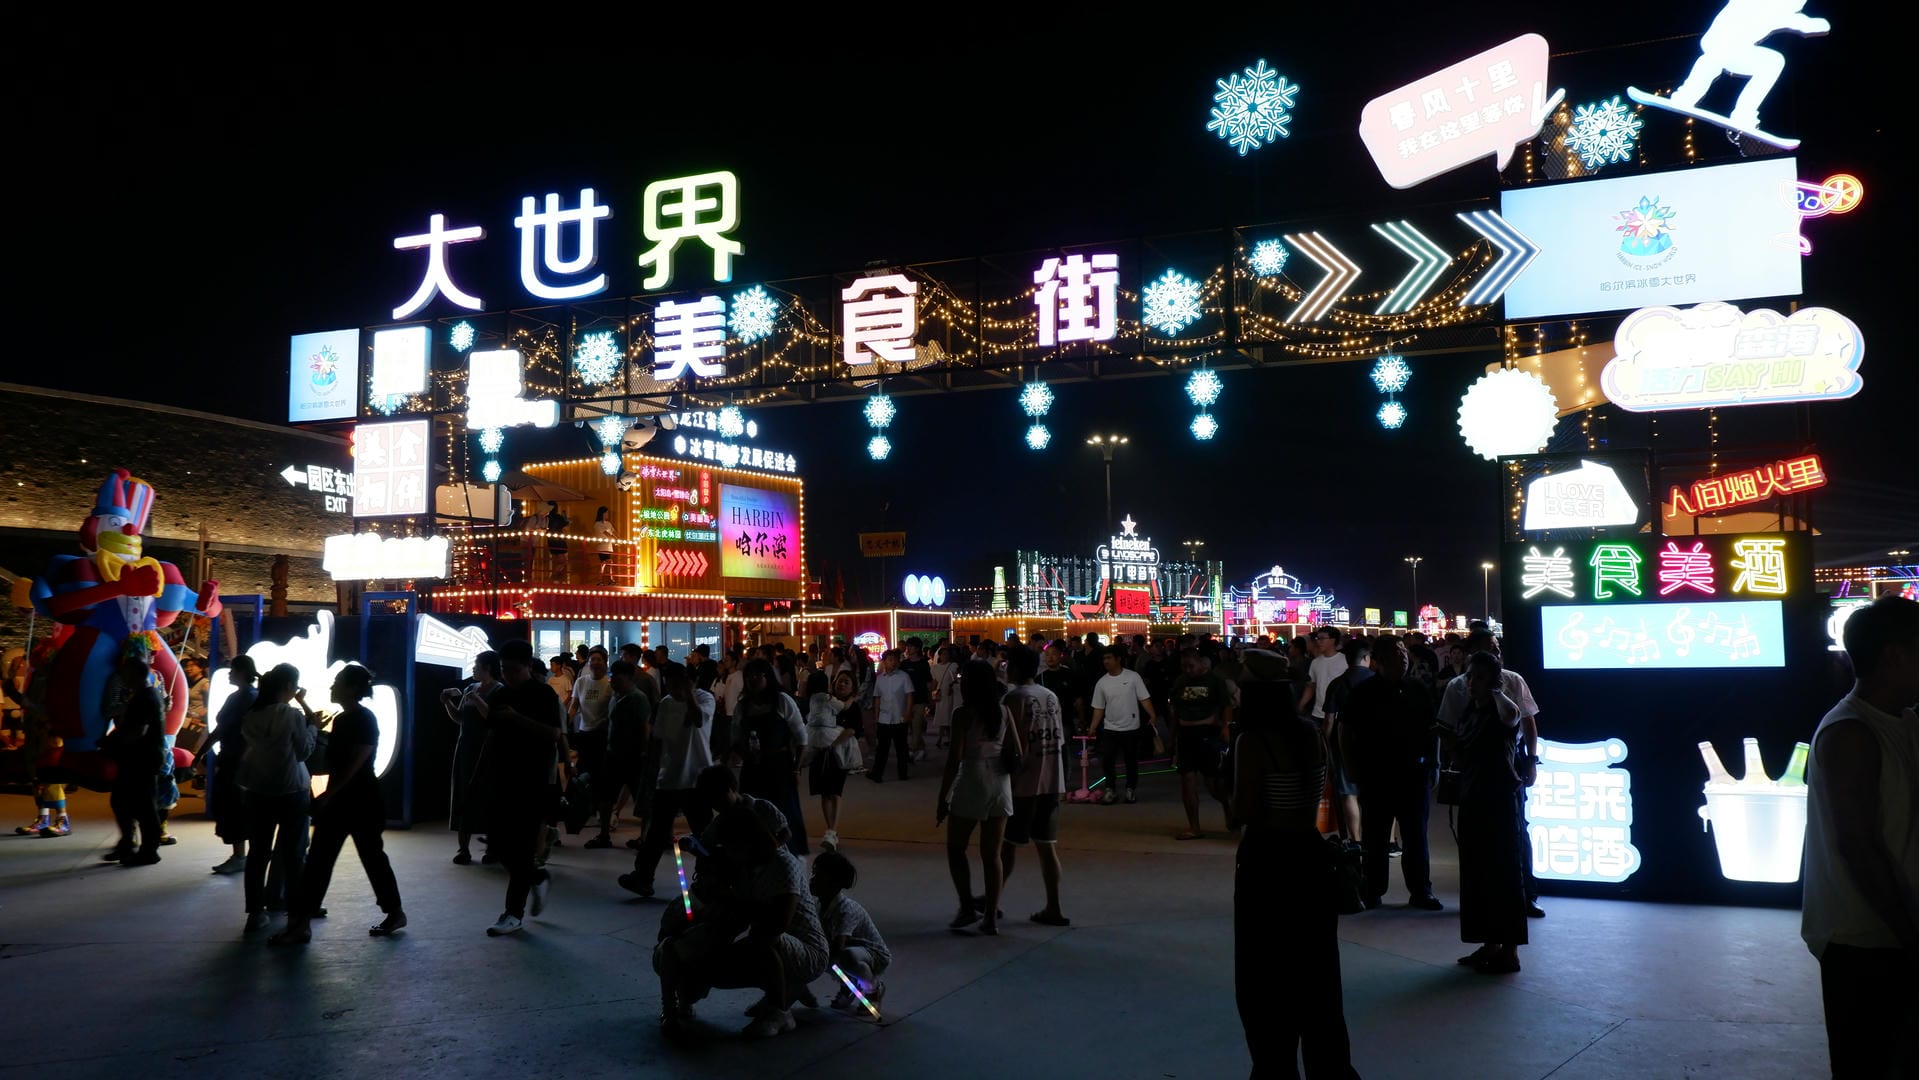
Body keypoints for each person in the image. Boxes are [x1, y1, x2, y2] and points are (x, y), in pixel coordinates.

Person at [1802, 595, 1919, 1078]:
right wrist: (1911, 934)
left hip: (1890, 933)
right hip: (1865, 940)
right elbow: (1859, 847)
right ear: (1894, 655)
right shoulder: (1850, 732)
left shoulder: (1904, 721)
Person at [1231, 644, 1362, 1077]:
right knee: (1318, 978)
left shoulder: (1253, 742)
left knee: (1264, 980)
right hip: (1309, 856)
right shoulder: (1308, 732)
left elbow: (1245, 812)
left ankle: (1275, 1068)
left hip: (1267, 861)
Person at [655, 803, 828, 1039]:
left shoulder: (783, 864)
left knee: (764, 936)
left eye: (731, 846)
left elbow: (778, 922)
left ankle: (779, 1010)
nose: (727, 851)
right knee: (703, 960)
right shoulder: (743, 866)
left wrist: (732, 902)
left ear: (749, 841)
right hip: (771, 941)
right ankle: (780, 992)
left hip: (806, 951)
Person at [272, 664, 406, 944]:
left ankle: (303, 924)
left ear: (352, 688)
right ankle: (303, 922)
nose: (332, 687)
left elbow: (355, 763)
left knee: (351, 859)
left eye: (337, 682)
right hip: (353, 799)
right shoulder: (347, 719)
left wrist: (329, 794)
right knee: (329, 860)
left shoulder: (362, 719)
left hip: (358, 800)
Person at [1438, 629, 1545, 918]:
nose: (1496, 654)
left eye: (1496, 649)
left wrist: (1532, 761)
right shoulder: (1458, 688)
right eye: (1488, 650)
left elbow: (1523, 721)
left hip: (1503, 775)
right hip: (1472, 776)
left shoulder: (1509, 685)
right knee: (1475, 844)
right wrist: (1458, 759)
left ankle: (1525, 897)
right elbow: (1445, 729)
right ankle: (1481, 907)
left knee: (1513, 840)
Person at [1341, 635, 1442, 911]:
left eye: (1404, 651)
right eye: (1398, 653)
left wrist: (1434, 764)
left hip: (1414, 772)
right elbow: (1345, 731)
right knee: (1375, 836)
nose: (1405, 656)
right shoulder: (1364, 692)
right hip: (1377, 774)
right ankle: (1372, 889)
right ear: (1381, 660)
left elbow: (1433, 731)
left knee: (1416, 835)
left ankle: (1421, 890)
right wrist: (1351, 767)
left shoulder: (1417, 688)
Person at [1446, 652, 1527, 974]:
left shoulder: (1502, 708)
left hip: (1497, 799)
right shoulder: (1471, 710)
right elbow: (1459, 746)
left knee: (1504, 874)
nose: (1471, 682)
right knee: (1478, 874)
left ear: (1495, 680)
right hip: (1473, 796)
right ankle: (1489, 943)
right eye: (1470, 676)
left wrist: (1495, 691)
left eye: (1479, 677)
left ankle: (1509, 950)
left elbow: (1512, 715)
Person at [477, 640, 565, 936]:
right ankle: (537, 877)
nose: (508, 675)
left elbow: (554, 733)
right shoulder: (501, 692)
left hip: (533, 780)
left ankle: (512, 913)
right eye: (504, 670)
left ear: (528, 666)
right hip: (502, 778)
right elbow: (492, 732)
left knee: (524, 845)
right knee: (500, 847)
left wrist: (518, 719)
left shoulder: (543, 694)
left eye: (513, 670)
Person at [621, 662, 718, 898]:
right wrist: (653, 770)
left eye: (677, 684)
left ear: (690, 682)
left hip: (697, 777)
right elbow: (658, 739)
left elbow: (697, 720)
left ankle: (712, 879)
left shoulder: (705, 699)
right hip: (669, 777)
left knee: (704, 833)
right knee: (657, 831)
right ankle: (643, 877)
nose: (672, 689)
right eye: (669, 684)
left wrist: (688, 696)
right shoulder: (665, 703)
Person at [237, 662, 320, 931]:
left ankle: (254, 912)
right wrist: (313, 729)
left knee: (258, 854)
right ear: (289, 686)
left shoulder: (252, 715)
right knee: (295, 854)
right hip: (291, 790)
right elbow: (304, 752)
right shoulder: (291, 715)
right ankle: (296, 913)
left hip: (258, 791)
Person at [939, 659, 1020, 935]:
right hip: (1000, 782)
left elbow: (954, 758)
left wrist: (942, 796)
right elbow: (1016, 750)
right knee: (992, 854)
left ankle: (965, 906)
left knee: (956, 847)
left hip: (972, 778)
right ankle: (990, 918)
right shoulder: (1003, 711)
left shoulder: (963, 714)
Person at [999, 645, 1070, 927]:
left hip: (1024, 782)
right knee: (1046, 846)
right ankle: (1054, 906)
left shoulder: (1014, 698)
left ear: (1015, 668)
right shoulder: (1049, 696)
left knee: (1007, 845)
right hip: (1051, 778)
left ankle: (994, 900)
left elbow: (1011, 744)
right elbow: (1060, 740)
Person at [103, 638, 169, 868]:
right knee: (124, 802)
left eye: (126, 673)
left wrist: (113, 742)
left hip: (142, 758)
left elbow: (137, 731)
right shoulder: (144, 695)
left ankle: (148, 850)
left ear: (135, 675)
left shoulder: (145, 698)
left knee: (142, 806)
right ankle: (129, 844)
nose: (123, 677)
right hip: (139, 757)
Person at [733, 657, 808, 856]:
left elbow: (801, 738)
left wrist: (796, 768)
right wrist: (745, 754)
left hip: (779, 766)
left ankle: (787, 855)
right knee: (751, 812)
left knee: (784, 811)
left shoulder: (782, 701)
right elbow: (735, 739)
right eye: (749, 676)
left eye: (758, 675)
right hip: (753, 767)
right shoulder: (743, 706)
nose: (753, 680)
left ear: (768, 677)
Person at [808, 850, 890, 1016]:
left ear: (834, 883)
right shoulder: (818, 905)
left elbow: (838, 946)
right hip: (849, 954)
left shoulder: (846, 910)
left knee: (840, 956)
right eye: (813, 874)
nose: (812, 880)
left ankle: (873, 989)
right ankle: (849, 985)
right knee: (828, 955)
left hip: (873, 955)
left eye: (818, 875)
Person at [442, 651, 500, 865]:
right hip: (465, 749)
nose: (474, 668)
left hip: (487, 751)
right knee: (462, 795)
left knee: (489, 796)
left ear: (489, 667)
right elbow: (460, 718)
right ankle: (463, 849)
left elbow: (494, 719)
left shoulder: (498, 691)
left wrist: (477, 700)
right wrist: (447, 703)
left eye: (477, 664)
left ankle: (492, 848)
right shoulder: (469, 688)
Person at [1169, 648, 1234, 840]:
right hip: (1186, 735)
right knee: (1187, 780)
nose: (1188, 670)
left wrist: (1226, 727)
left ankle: (1228, 807)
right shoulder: (1180, 681)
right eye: (1184, 666)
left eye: (1191, 666)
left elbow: (1227, 706)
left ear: (1201, 664)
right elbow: (1174, 707)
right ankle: (1194, 826)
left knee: (1212, 784)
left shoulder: (1214, 681)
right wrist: (1172, 736)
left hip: (1208, 735)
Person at [203, 656, 259, 874]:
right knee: (234, 808)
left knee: (236, 808)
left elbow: (239, 733)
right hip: (234, 759)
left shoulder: (245, 698)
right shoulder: (242, 697)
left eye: (232, 669)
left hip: (237, 762)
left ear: (242, 671)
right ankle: (241, 855)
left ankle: (240, 856)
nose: (228, 673)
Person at [594, 659, 653, 850]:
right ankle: (604, 835)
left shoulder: (638, 698)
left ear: (628, 678)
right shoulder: (615, 697)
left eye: (617, 679)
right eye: (612, 678)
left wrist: (644, 752)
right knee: (606, 796)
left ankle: (644, 838)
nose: (612, 682)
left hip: (634, 756)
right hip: (613, 753)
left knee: (641, 798)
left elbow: (645, 728)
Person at [1321, 637, 1372, 850]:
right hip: (1375, 745)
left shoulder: (1337, 683)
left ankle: (1356, 839)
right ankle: (1383, 840)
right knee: (1374, 793)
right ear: (1367, 658)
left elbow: (1329, 720)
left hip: (1345, 745)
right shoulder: (1377, 681)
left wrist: (1327, 745)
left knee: (1349, 793)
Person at [1088, 646, 1155, 805]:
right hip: (1110, 728)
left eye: (1109, 658)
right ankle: (1110, 790)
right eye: (1104, 659)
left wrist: (1152, 714)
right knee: (1107, 760)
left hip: (1131, 728)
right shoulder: (1102, 682)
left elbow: (1143, 698)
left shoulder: (1133, 677)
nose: (1106, 662)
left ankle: (1130, 789)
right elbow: (1099, 708)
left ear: (1119, 659)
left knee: (1131, 761)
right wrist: (1092, 727)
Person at [805, 670, 860, 852]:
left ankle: (832, 830)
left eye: (846, 682)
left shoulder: (849, 706)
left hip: (838, 753)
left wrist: (832, 743)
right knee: (824, 792)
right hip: (821, 751)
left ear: (852, 687)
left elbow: (852, 730)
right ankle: (830, 830)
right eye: (839, 681)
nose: (842, 685)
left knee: (835, 791)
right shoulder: (828, 700)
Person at [868, 648, 914, 782]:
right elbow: (877, 697)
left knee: (901, 748)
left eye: (896, 660)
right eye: (890, 660)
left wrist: (907, 712)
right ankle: (877, 774)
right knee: (882, 748)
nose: (893, 663)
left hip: (899, 717)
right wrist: (876, 715)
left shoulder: (904, 677)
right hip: (884, 718)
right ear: (884, 662)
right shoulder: (880, 679)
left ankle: (903, 773)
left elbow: (909, 695)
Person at [543, 501, 571, 582]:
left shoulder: (547, 518)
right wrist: (564, 516)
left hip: (551, 540)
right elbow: (566, 523)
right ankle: (553, 577)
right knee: (563, 561)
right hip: (559, 540)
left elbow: (544, 527)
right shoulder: (558, 517)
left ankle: (555, 577)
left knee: (558, 560)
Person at [591, 505, 617, 584]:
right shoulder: (597, 524)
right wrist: (615, 539)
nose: (607, 514)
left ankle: (607, 580)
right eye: (606, 512)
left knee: (607, 563)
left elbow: (613, 532)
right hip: (601, 547)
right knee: (605, 562)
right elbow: (606, 533)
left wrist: (617, 538)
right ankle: (602, 579)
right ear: (602, 513)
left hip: (608, 547)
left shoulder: (608, 523)